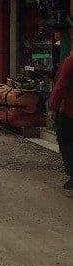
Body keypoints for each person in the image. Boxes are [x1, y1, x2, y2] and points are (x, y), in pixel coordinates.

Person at [48, 44, 73, 193]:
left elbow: (61, 86)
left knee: (65, 139)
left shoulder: (70, 62)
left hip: (70, 111)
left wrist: (53, 107)